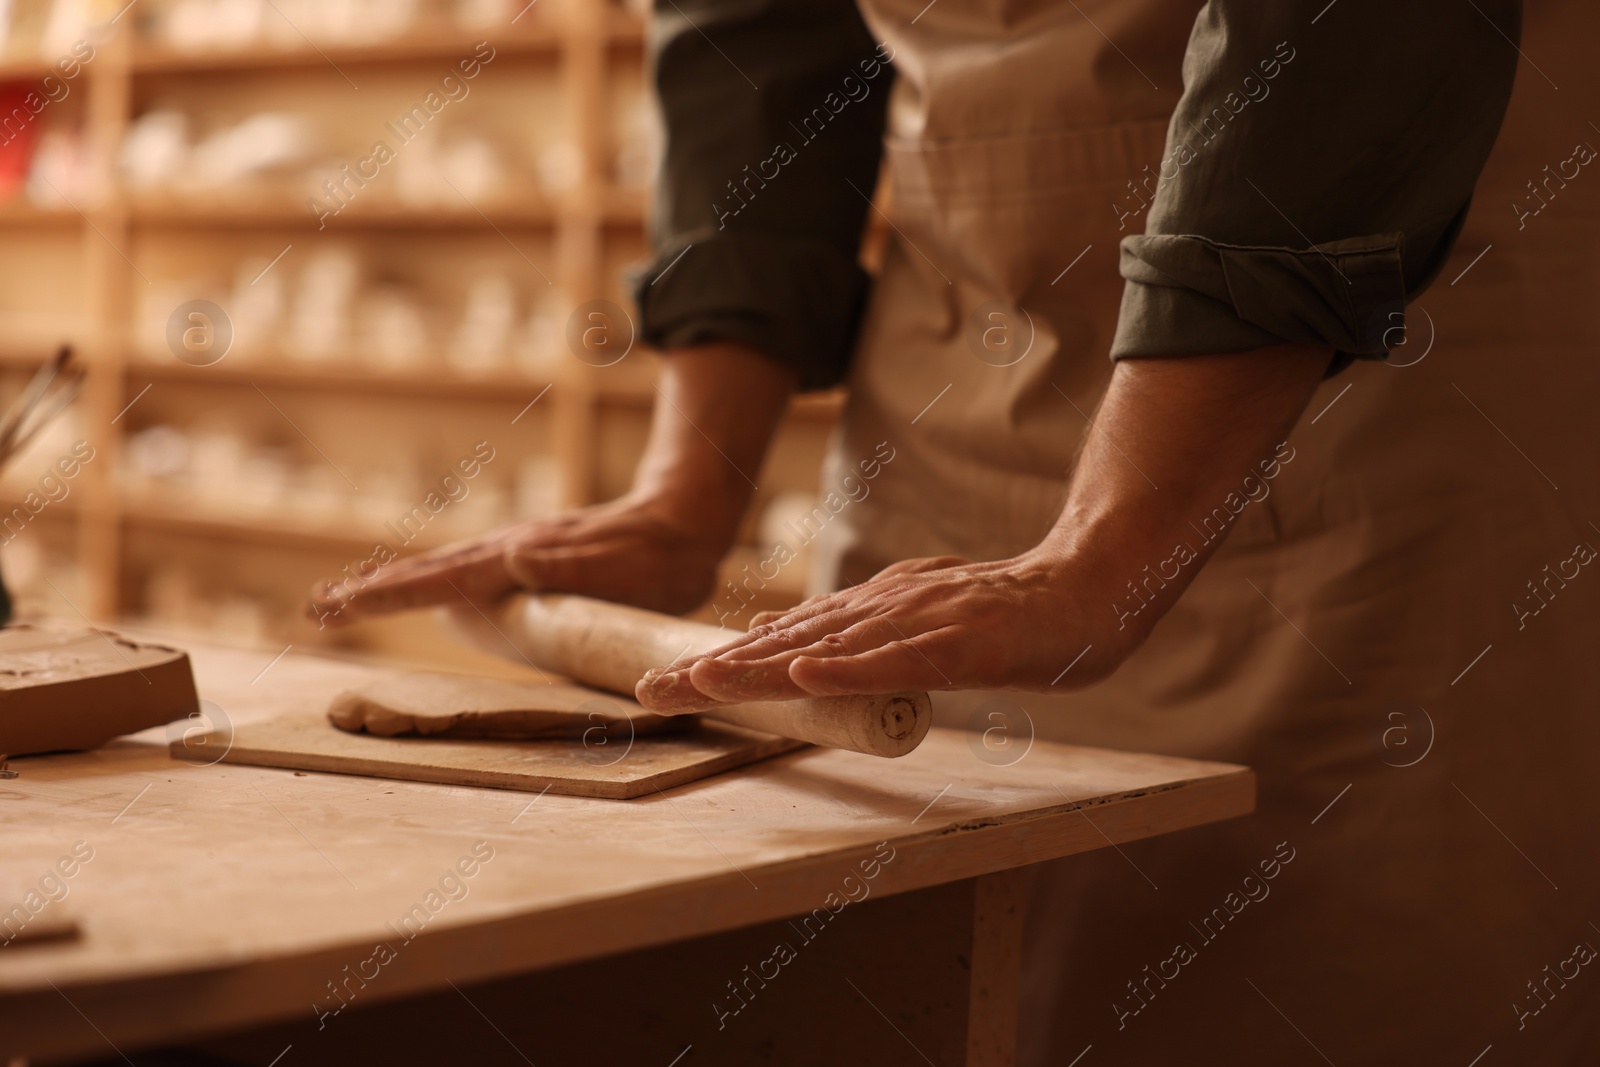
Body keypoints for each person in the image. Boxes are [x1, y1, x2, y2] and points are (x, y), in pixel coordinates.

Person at [313, 0, 1600, 1061]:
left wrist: (1107, 544)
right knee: (900, 971)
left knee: (1315, 986)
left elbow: (1354, 46)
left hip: (1375, 322)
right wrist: (688, 487)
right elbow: (754, 41)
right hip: (957, 361)